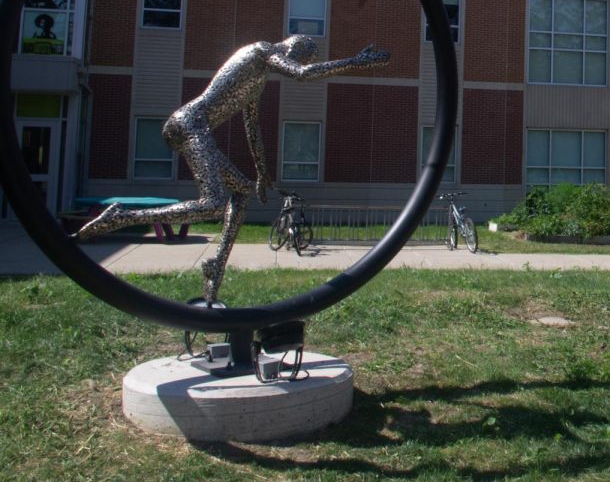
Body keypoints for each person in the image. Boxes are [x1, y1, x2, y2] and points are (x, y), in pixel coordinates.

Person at [75, 35, 390, 304]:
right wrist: (355, 62)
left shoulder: (255, 80)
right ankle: (121, 218)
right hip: (189, 124)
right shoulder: (261, 51)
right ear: (294, 49)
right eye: (303, 57)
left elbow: (252, 130)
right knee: (211, 203)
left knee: (241, 193)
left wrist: (262, 174)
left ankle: (215, 267)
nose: (296, 64)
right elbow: (304, 75)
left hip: (194, 127)